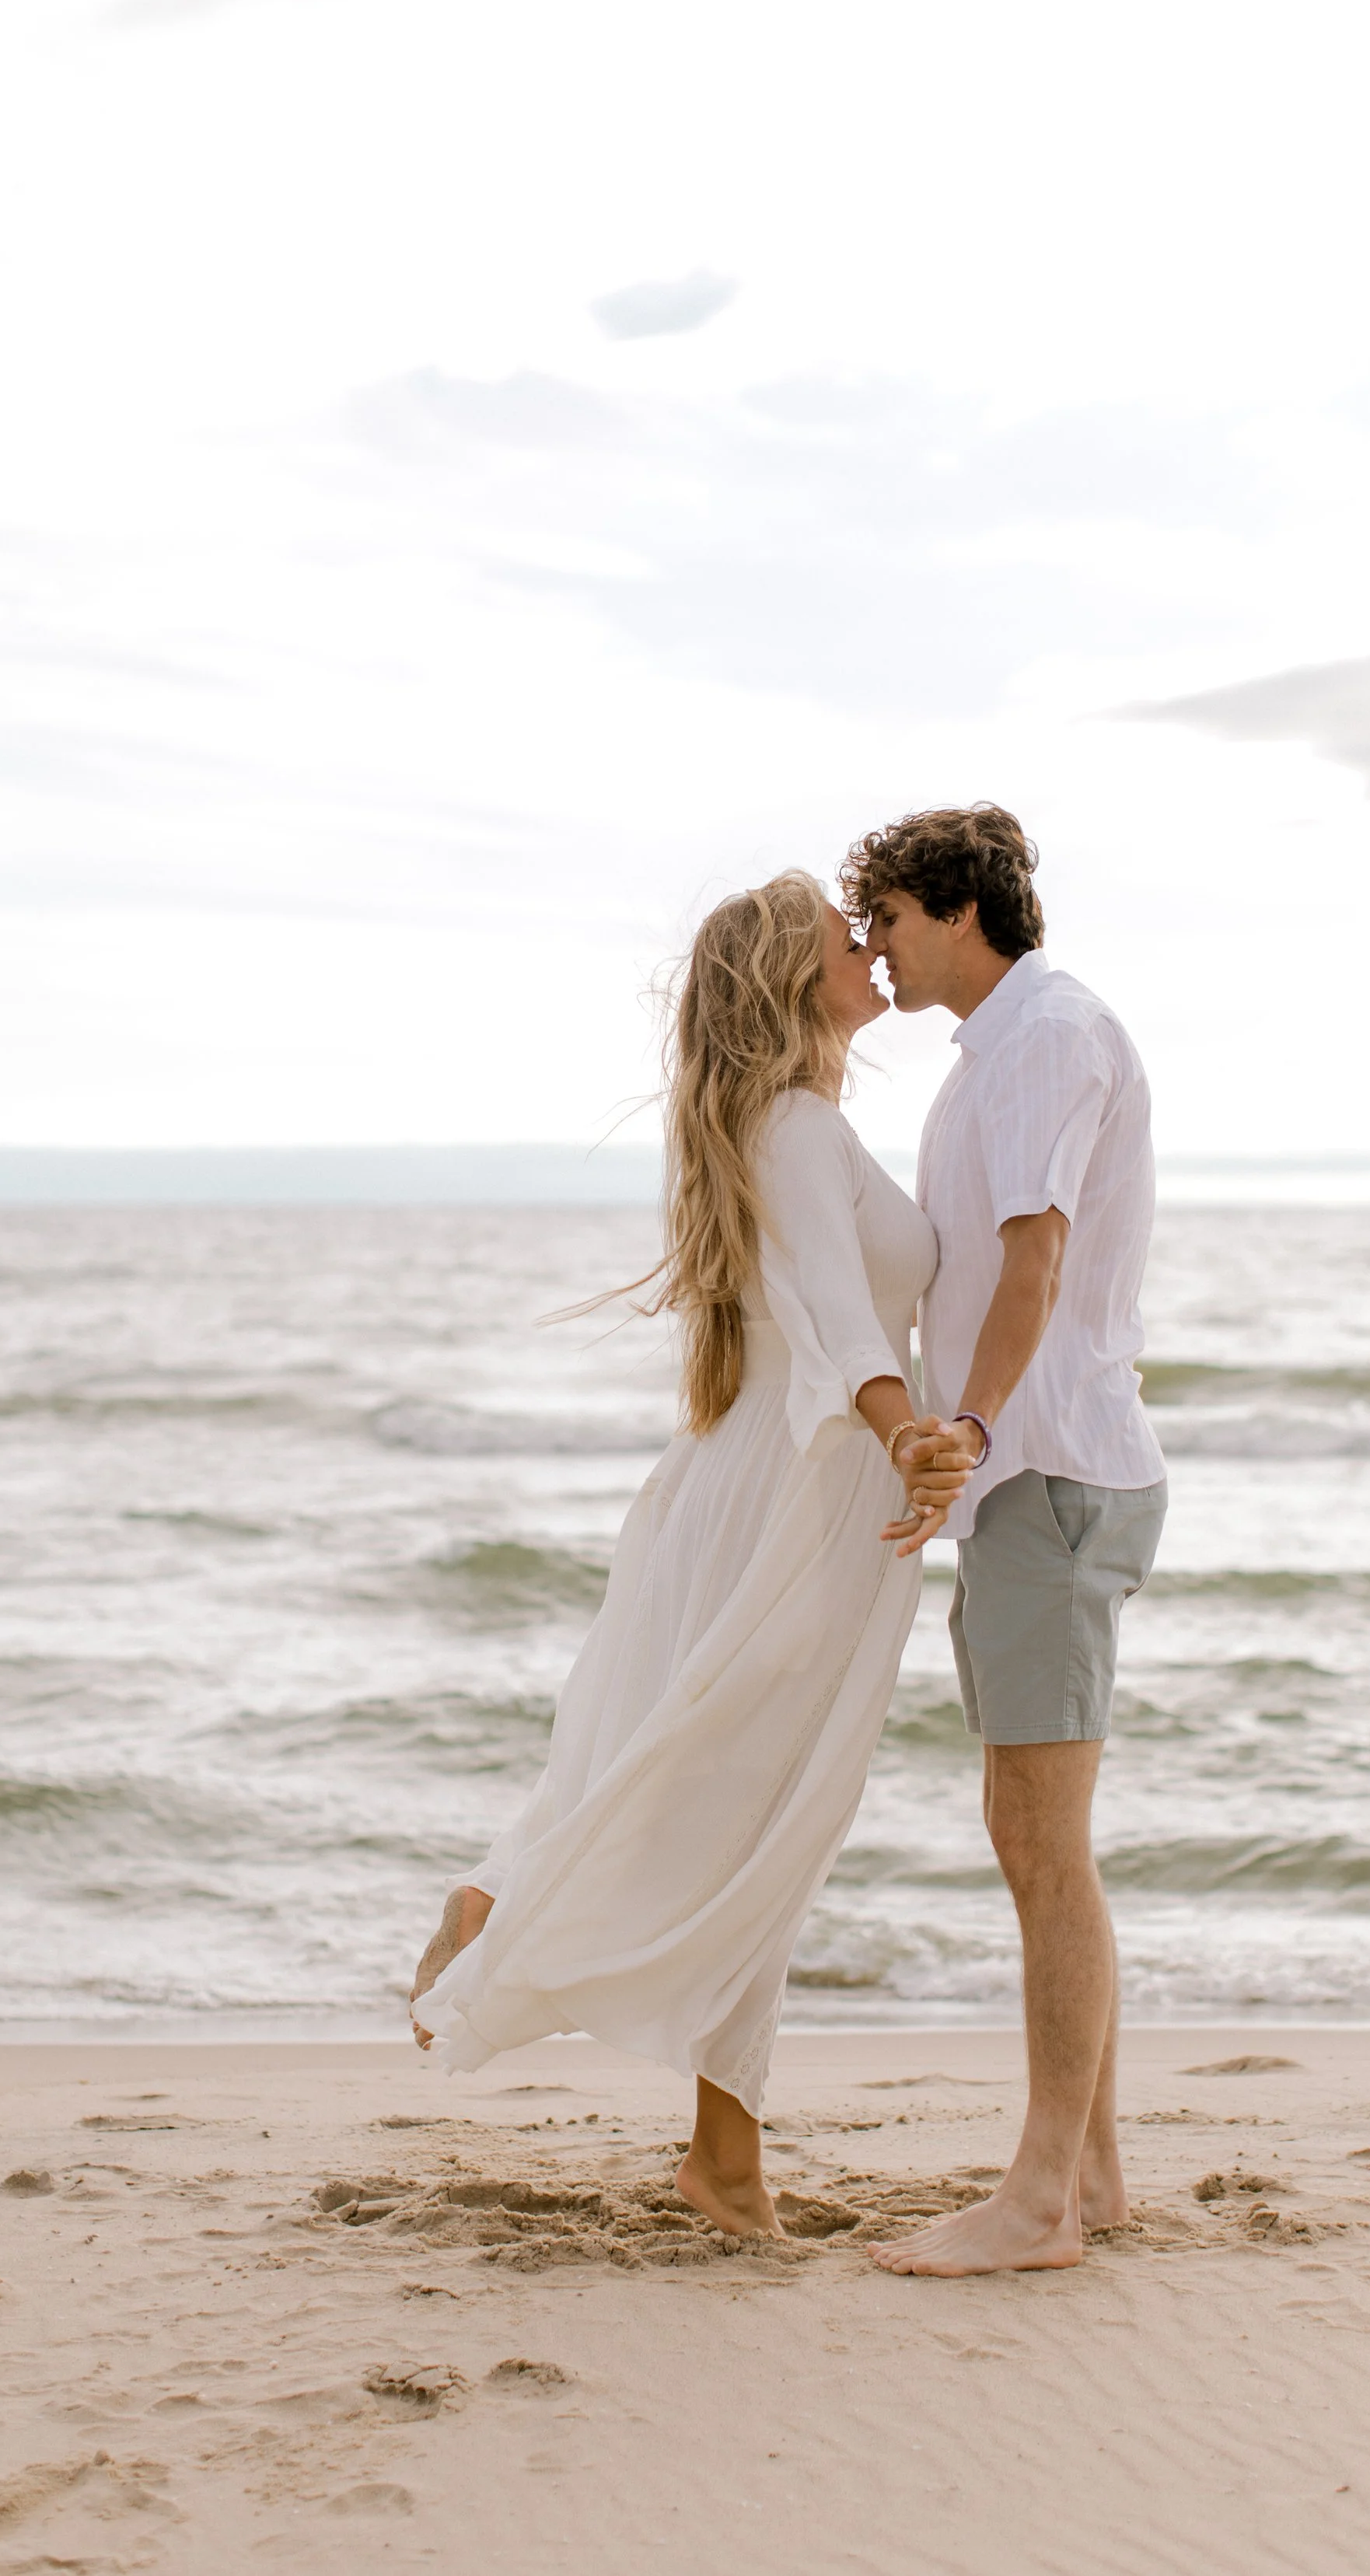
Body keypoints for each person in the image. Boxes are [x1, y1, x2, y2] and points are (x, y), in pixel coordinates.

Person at [407, 870, 974, 2239]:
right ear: (795, 980)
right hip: (803, 1493)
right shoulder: (787, 1123)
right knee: (754, 1816)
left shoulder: (800, 1124)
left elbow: (831, 1311)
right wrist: (908, 1432)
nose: (870, 949)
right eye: (848, 939)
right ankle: (533, 1937)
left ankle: (718, 2149)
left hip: (792, 1486)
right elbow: (843, 1321)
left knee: (757, 1816)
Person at [839, 805, 1168, 2277]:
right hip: (1023, 1477)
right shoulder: (995, 1054)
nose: (880, 951)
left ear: (960, 909)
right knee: (1031, 1836)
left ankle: (1038, 2200)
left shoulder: (1045, 1037)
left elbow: (1034, 1261)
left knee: (1043, 1840)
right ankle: (1089, 2176)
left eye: (892, 921)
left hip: (1045, 1469)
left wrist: (966, 1430)